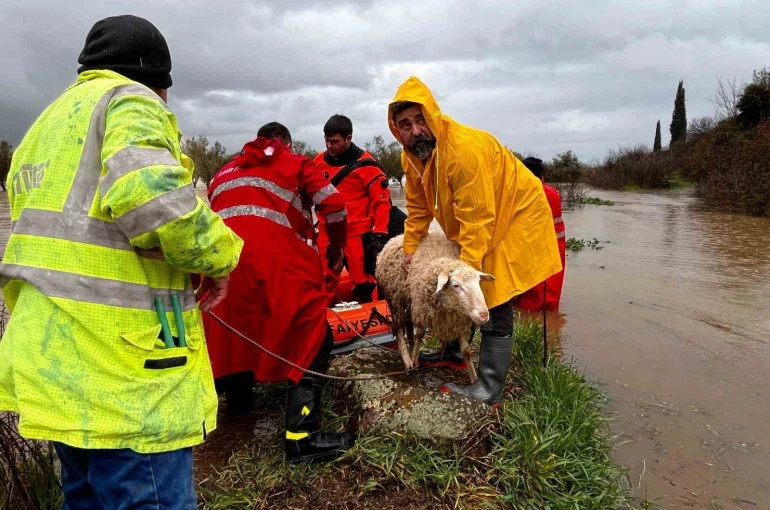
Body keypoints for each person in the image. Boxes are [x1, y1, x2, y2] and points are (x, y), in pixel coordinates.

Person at [0, 15, 244, 509]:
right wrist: (220, 257)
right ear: (160, 81)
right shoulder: (128, 100)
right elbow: (153, 204)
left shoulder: (45, 125)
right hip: (125, 379)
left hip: (58, 369)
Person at [389, 77, 562, 405]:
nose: (415, 131)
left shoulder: (463, 151)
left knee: (490, 296)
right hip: (483, 220)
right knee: (457, 290)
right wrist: (410, 251)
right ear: (397, 130)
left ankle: (488, 389)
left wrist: (466, 273)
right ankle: (453, 353)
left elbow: (478, 220)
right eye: (405, 125)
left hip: (514, 216)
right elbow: (417, 207)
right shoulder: (409, 159)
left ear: (434, 116)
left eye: (420, 119)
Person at [201, 122, 355, 463]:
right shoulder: (295, 163)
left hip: (223, 268)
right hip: (277, 266)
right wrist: (336, 249)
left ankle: (239, 406)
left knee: (238, 331)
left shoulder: (224, 172)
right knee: (314, 338)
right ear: (283, 143)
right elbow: (333, 203)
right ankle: (302, 436)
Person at [314, 115, 391, 304]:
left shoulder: (367, 165)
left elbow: (381, 202)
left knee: (364, 283)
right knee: (324, 280)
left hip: (357, 234)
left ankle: (373, 316)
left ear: (349, 138)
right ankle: (323, 321)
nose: (329, 145)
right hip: (326, 233)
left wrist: (380, 235)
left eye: (334, 141)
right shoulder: (317, 162)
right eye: (326, 140)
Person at [516, 157, 567, 312]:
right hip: (555, 247)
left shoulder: (525, 193)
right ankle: (549, 322)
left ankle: (529, 319)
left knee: (533, 291)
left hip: (538, 246)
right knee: (549, 290)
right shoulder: (552, 193)